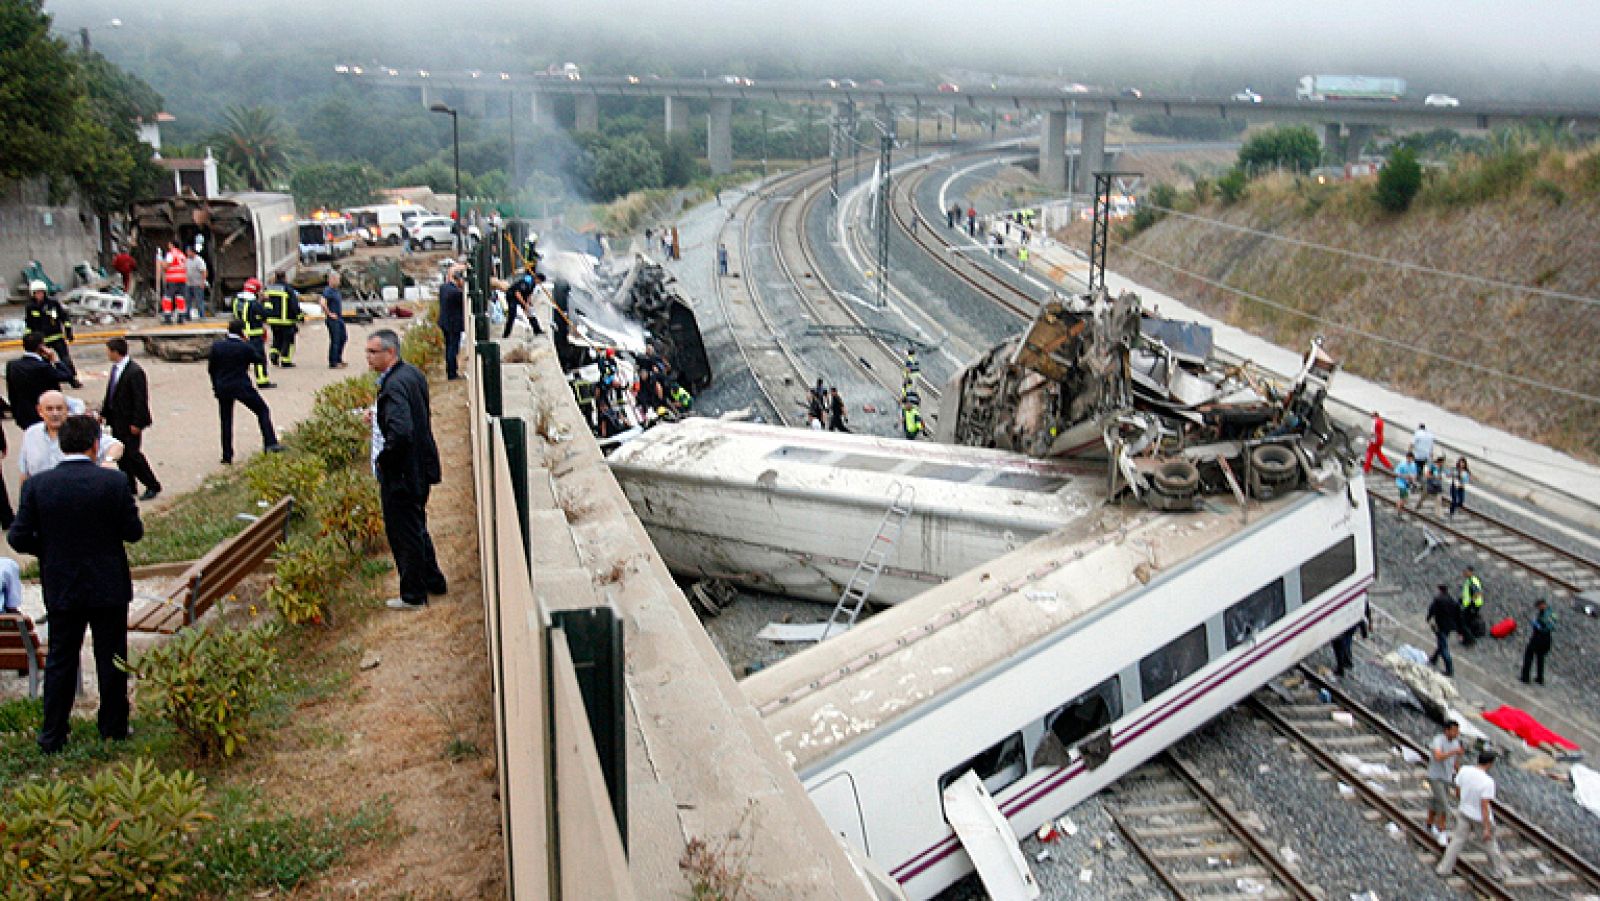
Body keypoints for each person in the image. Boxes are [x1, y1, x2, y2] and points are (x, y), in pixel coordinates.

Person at [8, 414, 144, 755]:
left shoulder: (39, 485)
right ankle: (113, 726)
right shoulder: (112, 483)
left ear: (61, 443)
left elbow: (18, 536)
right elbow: (134, 532)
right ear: (95, 444)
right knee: (111, 656)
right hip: (107, 583)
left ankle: (53, 732)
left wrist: (48, 549)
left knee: (61, 659)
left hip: (62, 583)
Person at [366, 330, 446, 611]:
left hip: (402, 473)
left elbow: (401, 432)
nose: (368, 358)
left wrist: (384, 460)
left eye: (373, 352)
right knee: (416, 526)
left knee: (405, 533)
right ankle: (434, 580)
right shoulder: (411, 374)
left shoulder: (394, 386)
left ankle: (413, 593)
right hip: (420, 467)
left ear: (390, 353)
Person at [209, 319, 283, 464]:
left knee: (226, 420)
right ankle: (270, 443)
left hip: (223, 386)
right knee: (262, 410)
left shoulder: (217, 346)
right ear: (242, 332)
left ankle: (227, 455)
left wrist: (215, 386)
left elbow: (212, 369)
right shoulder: (245, 348)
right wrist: (252, 344)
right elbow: (259, 360)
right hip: (241, 385)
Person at [1436, 750, 1511, 881]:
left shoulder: (1464, 770)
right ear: (1490, 764)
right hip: (1479, 818)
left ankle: (1443, 868)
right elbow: (1484, 806)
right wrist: (1487, 828)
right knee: (1490, 844)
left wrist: (1463, 801)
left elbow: (1457, 789)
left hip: (1464, 811)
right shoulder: (1488, 782)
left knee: (1457, 840)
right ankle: (1498, 872)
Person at [101, 338, 161, 501]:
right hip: (117, 420)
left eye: (108, 350)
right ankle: (129, 485)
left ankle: (152, 484)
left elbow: (140, 399)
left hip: (130, 422)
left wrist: (137, 422)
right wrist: (104, 413)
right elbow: (111, 395)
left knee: (133, 455)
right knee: (122, 455)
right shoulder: (116, 369)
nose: (106, 354)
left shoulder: (134, 372)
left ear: (115, 352)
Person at [19, 391, 122, 480]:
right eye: (49, 409)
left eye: (59, 408)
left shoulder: (81, 430)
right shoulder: (31, 434)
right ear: (40, 411)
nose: (55, 413)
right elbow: (25, 472)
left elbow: (116, 445)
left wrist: (108, 460)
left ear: (67, 410)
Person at [6, 333, 72, 429]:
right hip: (44, 415)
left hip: (24, 415)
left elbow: (11, 393)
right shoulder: (42, 367)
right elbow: (67, 375)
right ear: (41, 347)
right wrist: (55, 360)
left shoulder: (12, 365)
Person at [23, 280, 79, 388]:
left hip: (57, 337)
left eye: (41, 292)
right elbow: (29, 324)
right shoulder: (30, 307)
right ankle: (50, 383)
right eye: (37, 293)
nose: (39, 295)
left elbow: (64, 317)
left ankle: (72, 379)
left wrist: (68, 331)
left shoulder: (53, 304)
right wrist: (28, 339)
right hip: (41, 340)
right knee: (44, 363)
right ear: (33, 294)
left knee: (65, 359)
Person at [1425, 720, 1465, 844]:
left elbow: (1455, 761)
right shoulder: (1438, 740)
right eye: (1454, 730)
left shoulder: (1456, 742)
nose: (1456, 733)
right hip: (1435, 777)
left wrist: (1459, 776)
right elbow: (1438, 757)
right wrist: (1454, 752)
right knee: (1444, 805)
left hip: (1447, 777)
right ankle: (1442, 831)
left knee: (1436, 802)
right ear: (1446, 730)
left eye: (1457, 731)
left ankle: (1429, 824)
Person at [231, 279, 272, 388]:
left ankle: (238, 382)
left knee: (241, 361)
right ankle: (262, 381)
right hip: (254, 336)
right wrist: (267, 301)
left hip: (241, 335)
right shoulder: (253, 303)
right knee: (259, 359)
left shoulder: (237, 301)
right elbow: (266, 314)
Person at [263, 272, 302, 368]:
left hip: (273, 320)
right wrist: (299, 316)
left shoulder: (269, 288)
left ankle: (274, 355)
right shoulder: (288, 289)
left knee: (277, 339)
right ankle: (286, 361)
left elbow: (264, 303)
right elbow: (293, 305)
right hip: (286, 320)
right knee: (288, 340)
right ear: (285, 277)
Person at [439, 266, 467, 380]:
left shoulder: (443, 288)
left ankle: (450, 370)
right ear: (458, 280)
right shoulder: (456, 293)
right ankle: (452, 373)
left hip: (444, 322)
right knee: (453, 349)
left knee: (448, 347)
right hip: (453, 325)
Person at [1426, 583, 1459, 677]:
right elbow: (1457, 613)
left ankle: (1449, 670)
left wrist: (1428, 619)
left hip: (1440, 626)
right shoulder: (1452, 600)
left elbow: (1431, 610)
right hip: (1449, 627)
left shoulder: (1438, 599)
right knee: (1441, 643)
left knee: (1443, 647)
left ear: (1439, 590)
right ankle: (1433, 659)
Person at [1520, 598, 1554, 685]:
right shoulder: (1551, 612)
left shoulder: (1546, 614)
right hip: (1546, 639)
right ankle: (1540, 678)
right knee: (1540, 657)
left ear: (1543, 605)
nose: (1538, 608)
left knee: (1529, 654)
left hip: (1540, 637)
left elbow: (1547, 626)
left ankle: (1525, 677)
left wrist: (1538, 625)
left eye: (1539, 606)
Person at [321, 271, 349, 368]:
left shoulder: (336, 290)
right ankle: (333, 362)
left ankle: (339, 359)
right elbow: (322, 303)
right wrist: (329, 314)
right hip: (333, 320)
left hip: (339, 318)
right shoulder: (328, 291)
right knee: (335, 340)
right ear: (332, 279)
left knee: (343, 338)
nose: (339, 281)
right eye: (338, 279)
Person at [160, 240, 188, 324]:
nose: (168, 246)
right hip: (182, 279)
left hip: (172, 279)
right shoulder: (182, 254)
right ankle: (181, 318)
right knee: (180, 298)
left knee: (167, 298)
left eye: (169, 244)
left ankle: (167, 318)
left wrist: (161, 263)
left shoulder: (171, 254)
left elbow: (166, 265)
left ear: (172, 245)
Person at [1459, 565, 1485, 646]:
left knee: (1464, 622)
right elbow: (1468, 592)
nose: (1464, 573)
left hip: (1473, 605)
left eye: (1465, 572)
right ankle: (1467, 638)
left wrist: (1471, 602)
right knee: (1467, 621)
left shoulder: (1472, 581)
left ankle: (1469, 640)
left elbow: (1478, 593)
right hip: (1470, 605)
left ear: (1470, 572)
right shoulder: (1469, 580)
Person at [184, 247, 208, 319]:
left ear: (193, 252)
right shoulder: (187, 260)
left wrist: (203, 282)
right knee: (187, 300)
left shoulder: (199, 260)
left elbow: (204, 271)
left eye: (189, 252)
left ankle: (202, 316)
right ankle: (187, 315)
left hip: (197, 284)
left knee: (199, 301)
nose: (187, 253)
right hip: (188, 284)